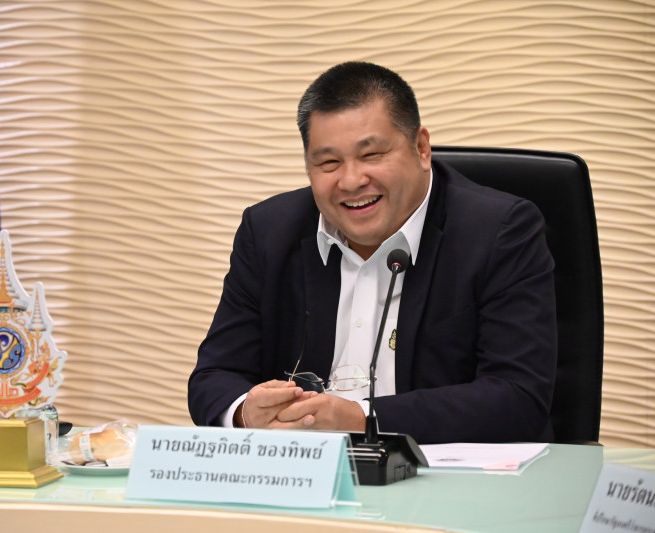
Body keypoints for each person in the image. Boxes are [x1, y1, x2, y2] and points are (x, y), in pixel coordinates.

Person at [187, 61, 557, 444]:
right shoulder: (268, 232)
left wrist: (360, 418)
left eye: (372, 155)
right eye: (329, 162)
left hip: (445, 471)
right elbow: (214, 377)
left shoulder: (499, 231)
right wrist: (247, 412)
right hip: (305, 469)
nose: (351, 181)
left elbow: (518, 397)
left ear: (421, 148)